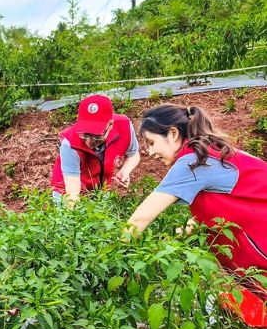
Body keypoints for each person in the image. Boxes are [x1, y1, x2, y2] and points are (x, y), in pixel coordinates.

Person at [127, 105, 267, 300]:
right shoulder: (211, 151)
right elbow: (210, 212)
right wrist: (167, 243)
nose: (149, 152)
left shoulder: (193, 162)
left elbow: (139, 219)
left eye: (151, 143)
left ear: (173, 133)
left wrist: (118, 258)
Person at [51, 94, 141, 203]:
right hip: (67, 189)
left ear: (110, 125)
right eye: (85, 134)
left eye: (97, 136)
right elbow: (72, 194)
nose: (89, 141)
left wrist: (125, 171)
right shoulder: (70, 143)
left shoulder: (124, 126)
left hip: (101, 188)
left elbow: (133, 155)